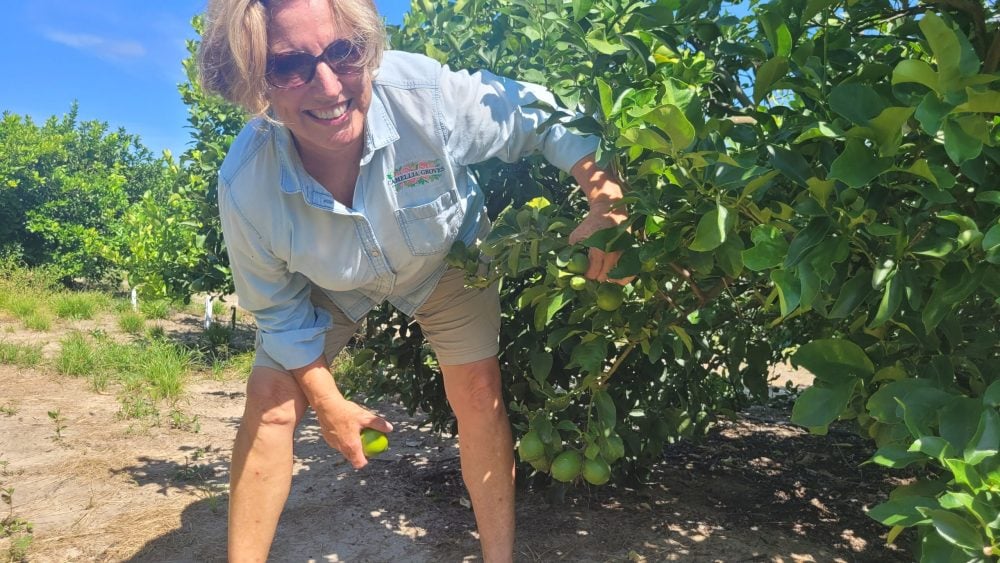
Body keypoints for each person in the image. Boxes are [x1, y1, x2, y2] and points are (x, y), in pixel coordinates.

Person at [198, 0, 628, 561]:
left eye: (343, 53)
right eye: (290, 66)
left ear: (367, 48)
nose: (328, 87)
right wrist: (327, 401)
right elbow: (279, 313)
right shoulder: (247, 185)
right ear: (259, 83)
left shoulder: (423, 98)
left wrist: (607, 200)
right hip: (334, 282)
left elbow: (540, 115)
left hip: (445, 257)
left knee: (478, 391)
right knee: (273, 401)